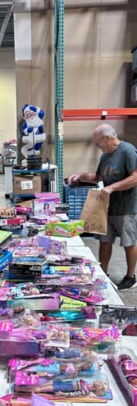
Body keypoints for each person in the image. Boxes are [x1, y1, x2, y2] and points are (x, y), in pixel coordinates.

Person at [68, 124, 137, 291]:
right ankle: (102, 273)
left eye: (98, 142)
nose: (97, 146)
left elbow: (135, 177)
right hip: (106, 207)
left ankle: (130, 277)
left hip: (125, 207)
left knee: (129, 242)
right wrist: (81, 176)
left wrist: (112, 187)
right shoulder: (105, 156)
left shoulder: (127, 151)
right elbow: (98, 176)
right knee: (104, 242)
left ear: (107, 138)